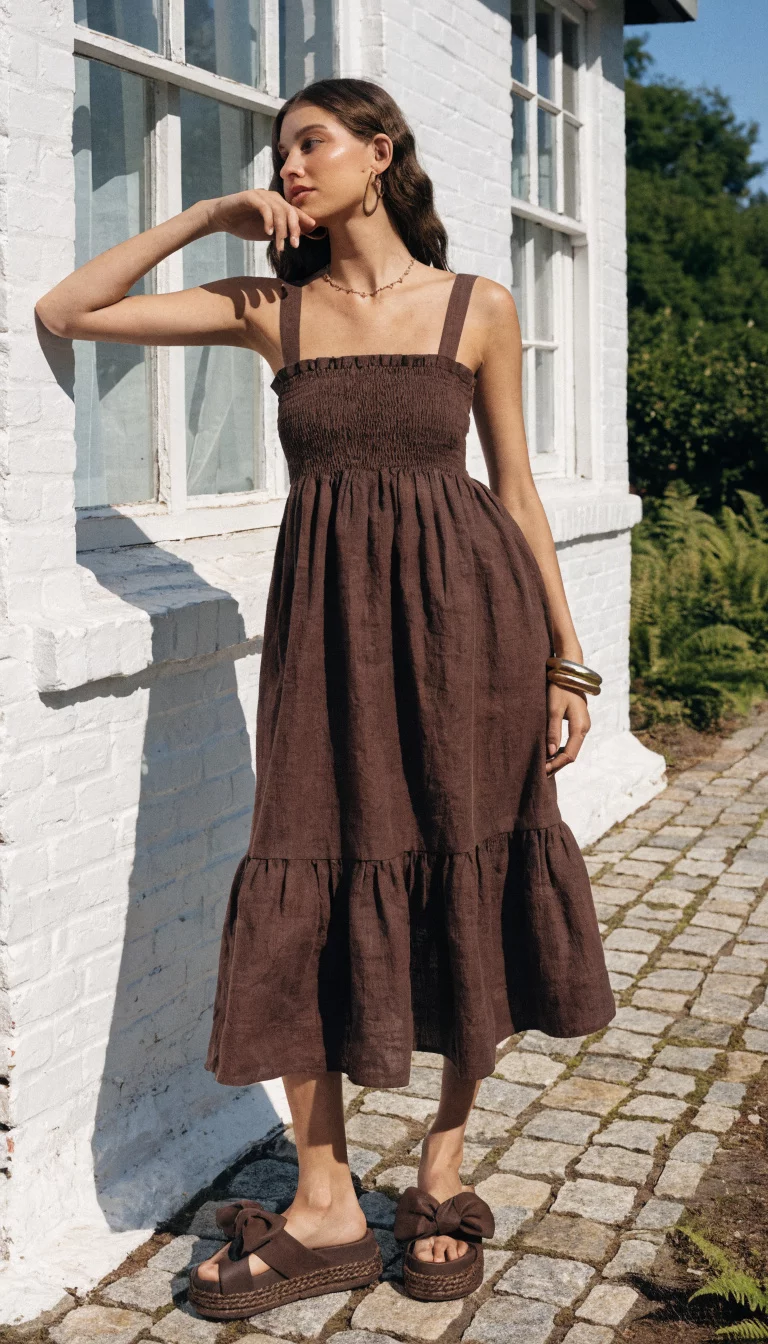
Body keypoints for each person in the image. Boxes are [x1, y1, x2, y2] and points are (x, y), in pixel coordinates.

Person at [35, 76, 616, 1319]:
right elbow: (67, 309)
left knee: (472, 868)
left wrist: (566, 660)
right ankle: (325, 1198)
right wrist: (206, 211)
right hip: (324, 636)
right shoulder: (271, 311)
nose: (291, 165)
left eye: (311, 144)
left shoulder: (478, 308)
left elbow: (515, 495)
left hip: (476, 629)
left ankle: (440, 1173)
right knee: (306, 861)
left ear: (379, 152)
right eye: (281, 151)